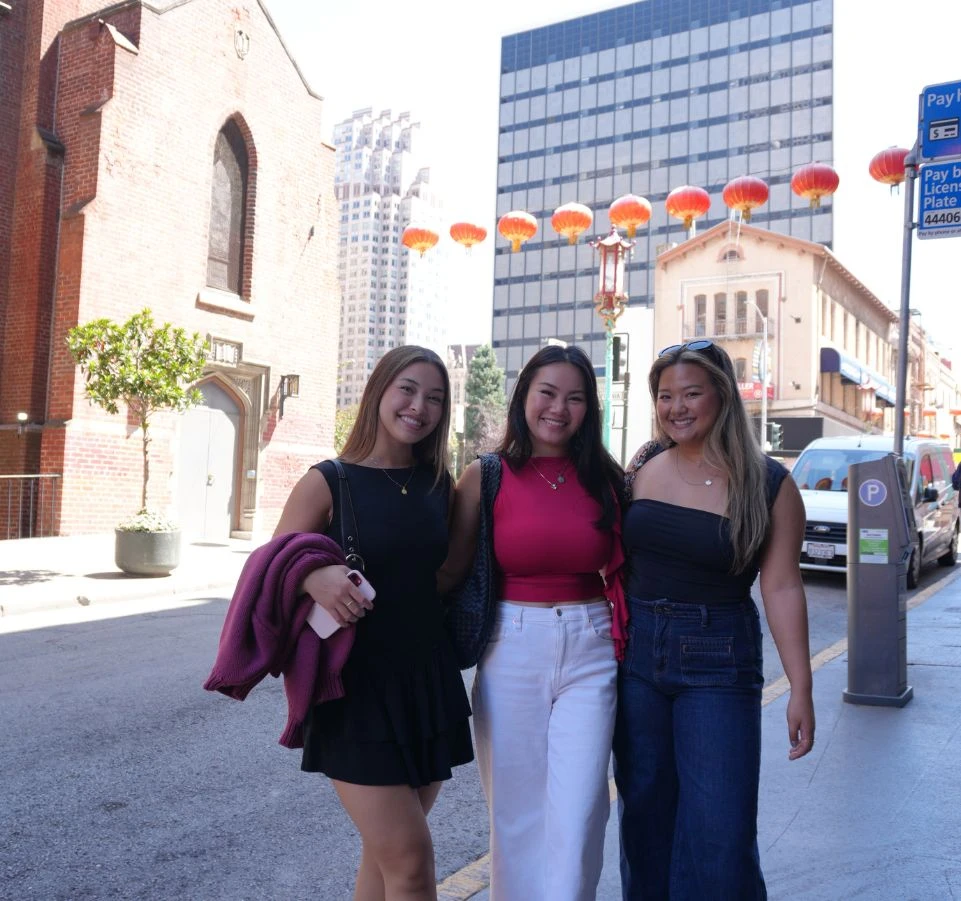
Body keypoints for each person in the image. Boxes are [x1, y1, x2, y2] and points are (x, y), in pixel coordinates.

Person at [614, 339, 815, 901]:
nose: (676, 407)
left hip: (719, 659)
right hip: (636, 655)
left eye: (691, 394)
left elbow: (781, 586)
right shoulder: (645, 465)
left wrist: (801, 686)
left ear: (722, 396)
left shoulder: (769, 483)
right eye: (665, 396)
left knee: (720, 832)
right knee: (645, 817)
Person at [274, 345, 474, 901]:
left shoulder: (439, 483)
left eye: (435, 398)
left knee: (384, 864)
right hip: (354, 690)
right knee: (411, 863)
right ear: (379, 392)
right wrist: (314, 578)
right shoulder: (329, 481)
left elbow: (448, 573)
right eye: (407, 389)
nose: (419, 406)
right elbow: (271, 567)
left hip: (427, 682)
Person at [441, 344, 626, 901]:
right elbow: (448, 570)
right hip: (511, 644)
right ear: (524, 396)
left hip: (592, 649)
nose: (559, 408)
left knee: (580, 809)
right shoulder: (486, 474)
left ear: (588, 410)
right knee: (516, 812)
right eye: (547, 393)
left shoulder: (608, 479)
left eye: (575, 398)